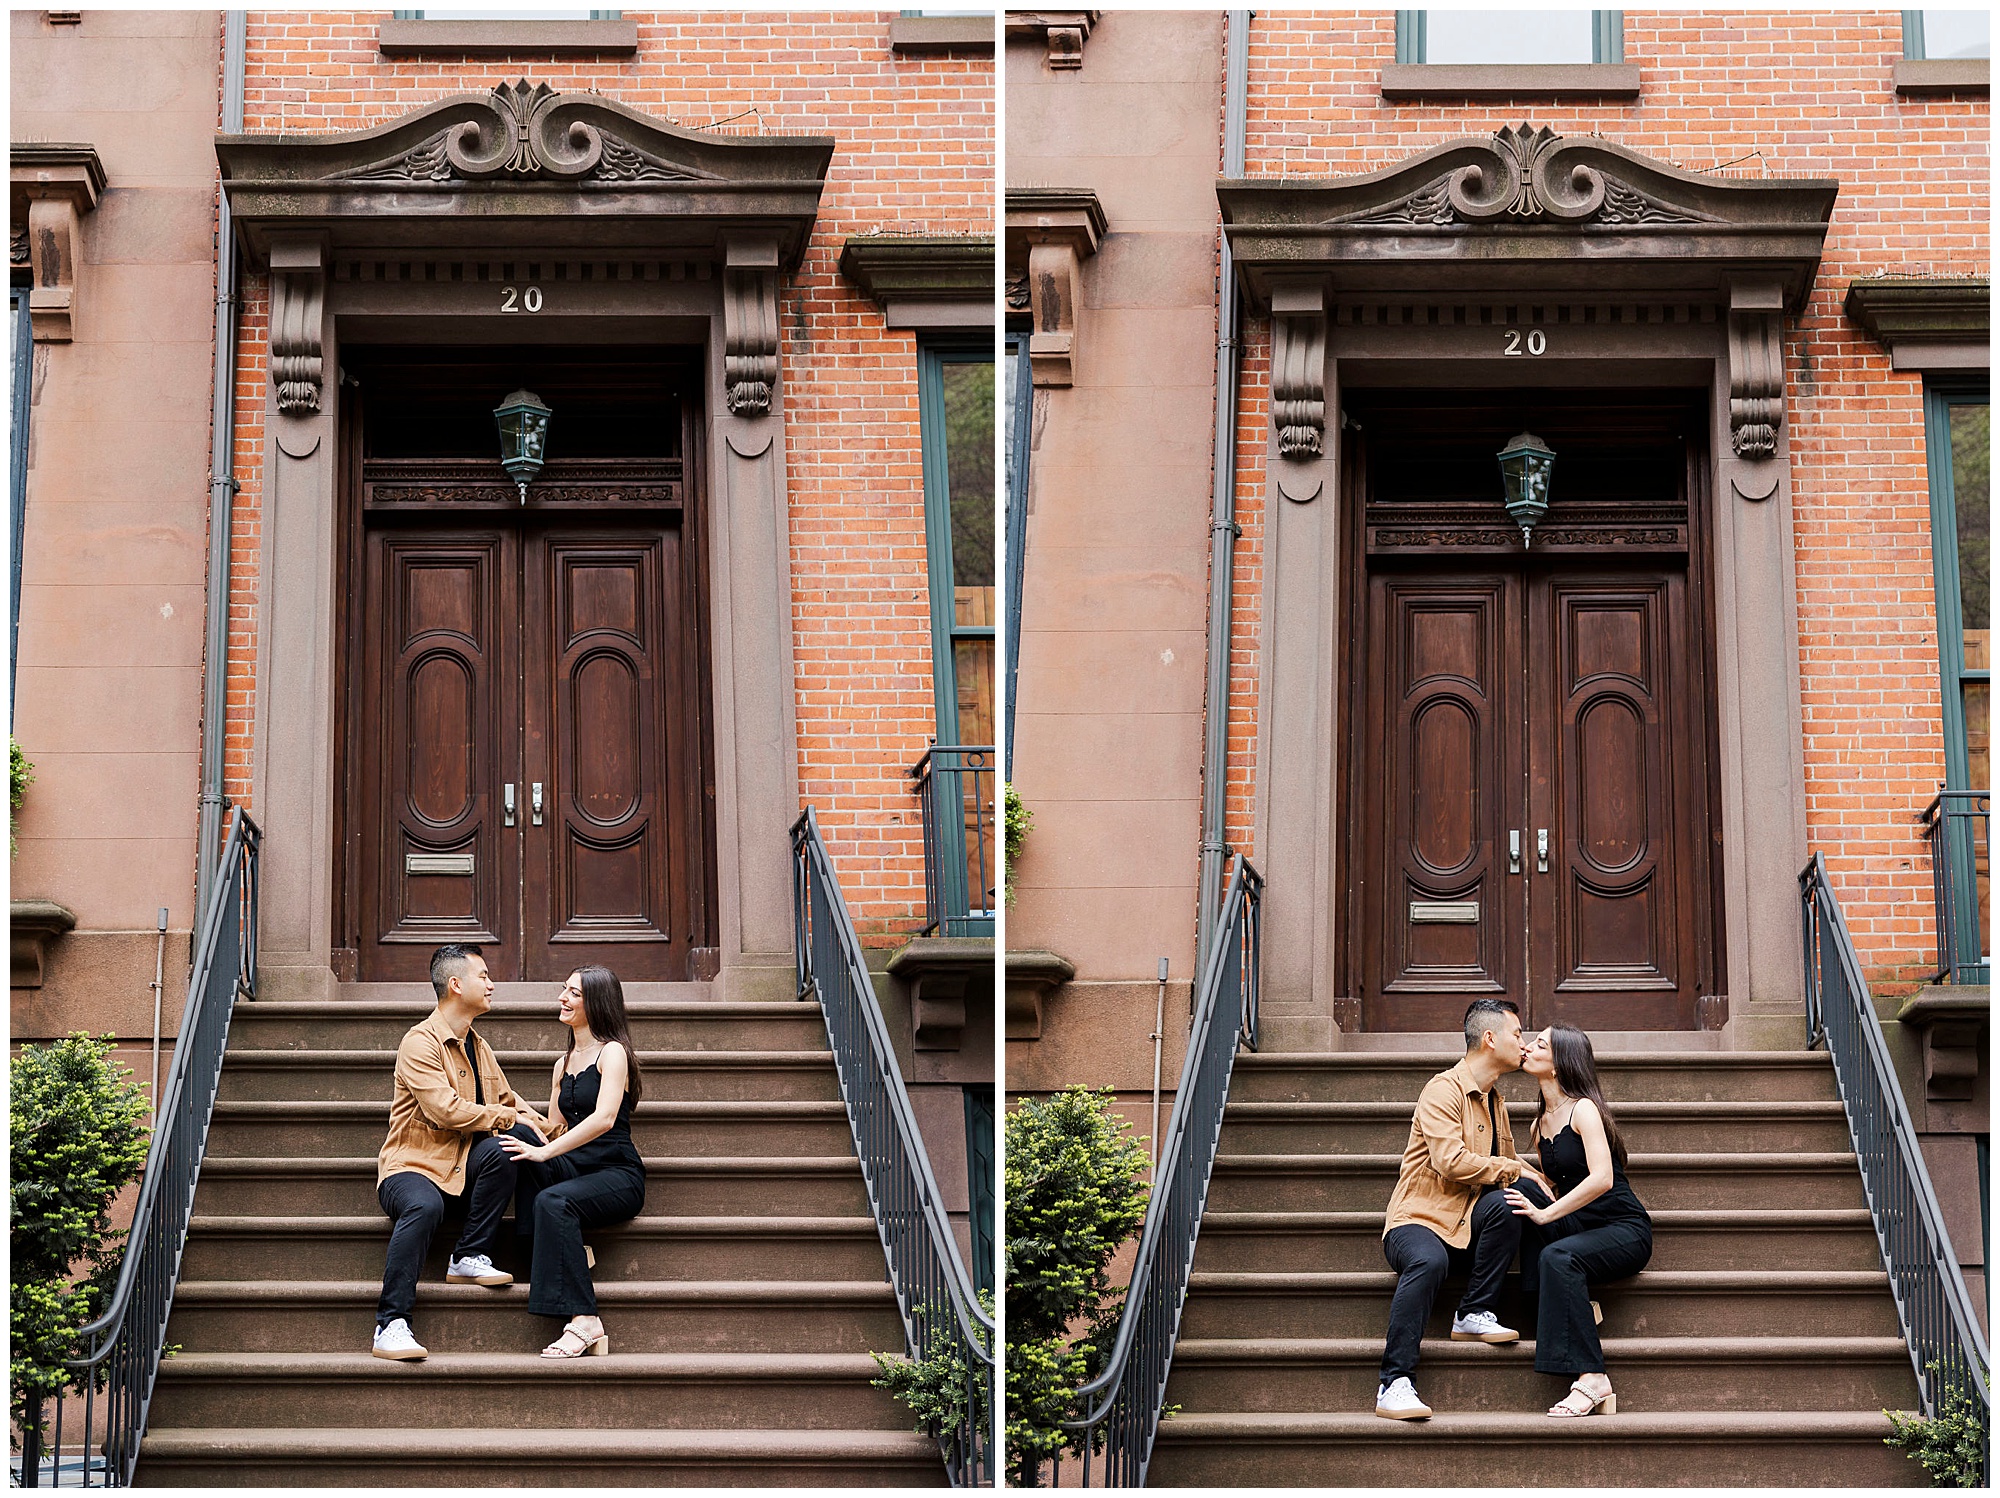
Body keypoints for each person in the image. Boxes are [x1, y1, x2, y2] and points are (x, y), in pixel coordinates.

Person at [372, 943, 554, 1361]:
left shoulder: (478, 1045)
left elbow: (509, 1101)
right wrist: (508, 1119)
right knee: (424, 1208)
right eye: (484, 976)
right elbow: (445, 1110)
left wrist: (551, 1130)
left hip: (461, 1169)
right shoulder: (420, 1043)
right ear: (455, 984)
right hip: (412, 1165)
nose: (492, 984)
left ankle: (469, 1253)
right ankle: (390, 1324)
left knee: (502, 1149)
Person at [1374, 998, 1553, 1421]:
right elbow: (1450, 1162)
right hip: (1418, 1220)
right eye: (1517, 1034)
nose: (1523, 1044)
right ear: (1490, 1039)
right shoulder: (1443, 1090)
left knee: (1511, 1203)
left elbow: (1510, 1163)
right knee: (1429, 1260)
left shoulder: (1496, 1101)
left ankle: (1473, 1311)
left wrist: (1545, 1182)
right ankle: (1393, 1383)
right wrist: (1515, 1169)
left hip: (1467, 1224)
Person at [1504, 1023, 1654, 1417]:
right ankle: (1572, 1306)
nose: (1528, 1047)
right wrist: (1502, 1160)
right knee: (1525, 1194)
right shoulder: (1539, 1125)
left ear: (1558, 1064)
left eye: (1540, 1045)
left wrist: (1546, 1213)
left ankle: (1593, 1378)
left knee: (1556, 1255)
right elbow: (1553, 1184)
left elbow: (1602, 1178)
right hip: (1581, 1227)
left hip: (1622, 1229)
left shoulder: (1583, 1109)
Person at [499, 964, 648, 1358]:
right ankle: (562, 1249)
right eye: (563, 990)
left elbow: (604, 1119)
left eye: (573, 993)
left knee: (553, 1201)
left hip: (615, 1174)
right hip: (574, 1168)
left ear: (596, 1002)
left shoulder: (613, 1053)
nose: (562, 998)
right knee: (518, 1139)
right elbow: (553, 1128)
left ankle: (586, 1320)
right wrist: (514, 1113)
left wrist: (545, 1150)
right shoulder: (562, 1063)